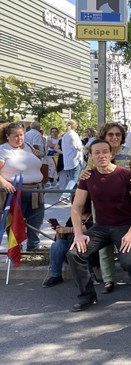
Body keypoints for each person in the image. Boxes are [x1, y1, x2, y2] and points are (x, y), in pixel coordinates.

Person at [66, 139, 131, 311]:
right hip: (100, 227)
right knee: (75, 253)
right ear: (91, 156)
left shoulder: (128, 175)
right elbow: (77, 206)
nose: (101, 155)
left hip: (124, 226)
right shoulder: (87, 177)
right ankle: (87, 296)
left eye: (105, 152)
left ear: (111, 154)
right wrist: (78, 234)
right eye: (96, 152)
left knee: (129, 262)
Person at [83, 122, 131, 294]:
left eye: (118, 134)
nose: (114, 137)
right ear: (104, 136)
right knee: (104, 247)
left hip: (125, 204)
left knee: (129, 243)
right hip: (101, 204)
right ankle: (108, 279)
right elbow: (88, 173)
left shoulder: (130, 153)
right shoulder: (95, 152)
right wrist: (83, 174)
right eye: (110, 134)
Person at [0, 121, 45, 251]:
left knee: (36, 221)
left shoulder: (29, 146)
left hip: (37, 191)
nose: (19, 138)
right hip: (16, 192)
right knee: (15, 224)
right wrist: (4, 183)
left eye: (21, 135)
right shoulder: (3, 150)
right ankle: (16, 252)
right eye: (16, 136)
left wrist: (38, 155)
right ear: (8, 136)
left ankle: (33, 249)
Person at [42, 199, 94, 288]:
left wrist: (69, 230)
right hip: (70, 248)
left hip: (89, 252)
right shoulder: (73, 217)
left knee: (81, 245)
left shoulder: (93, 217)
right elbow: (61, 238)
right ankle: (56, 275)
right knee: (58, 245)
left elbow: (89, 227)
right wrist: (59, 231)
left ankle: (87, 276)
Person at [60, 119, 83, 203]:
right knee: (74, 179)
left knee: (71, 178)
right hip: (75, 159)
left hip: (68, 159)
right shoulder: (73, 134)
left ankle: (74, 197)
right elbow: (77, 146)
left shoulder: (66, 135)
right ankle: (64, 196)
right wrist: (83, 147)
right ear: (75, 125)